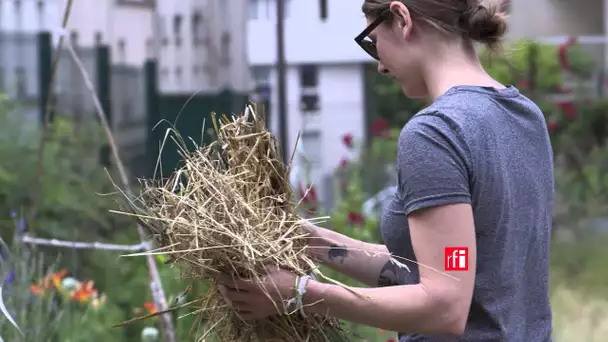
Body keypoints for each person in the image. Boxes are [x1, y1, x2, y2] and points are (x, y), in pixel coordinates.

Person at [217, 0, 554, 340]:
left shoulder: (436, 132)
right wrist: (313, 241)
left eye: (373, 41)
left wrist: (300, 292)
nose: (379, 66)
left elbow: (446, 305)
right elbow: (451, 267)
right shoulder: (524, 116)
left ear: (403, 19)